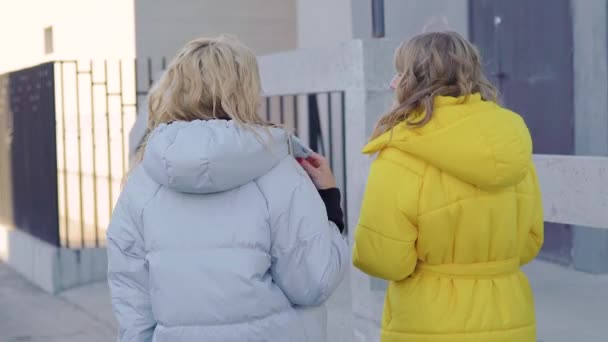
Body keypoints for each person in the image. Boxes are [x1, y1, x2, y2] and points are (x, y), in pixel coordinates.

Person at [106, 36, 348, 342]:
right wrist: (330, 206)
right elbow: (313, 282)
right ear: (246, 90)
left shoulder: (143, 181)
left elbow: (132, 302)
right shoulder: (280, 170)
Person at [351, 31, 544, 341]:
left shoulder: (402, 151)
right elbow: (530, 241)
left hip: (429, 323)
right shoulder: (512, 143)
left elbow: (383, 259)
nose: (393, 82)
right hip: (509, 317)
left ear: (413, 81)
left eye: (399, 73)